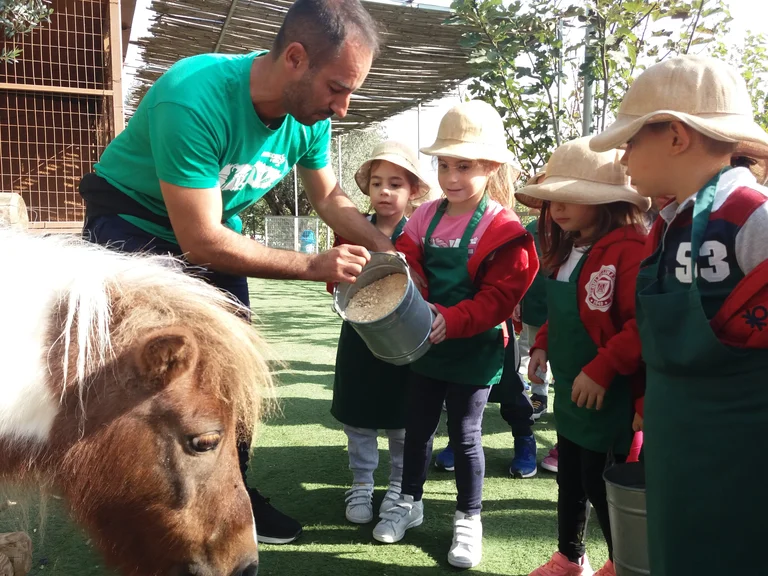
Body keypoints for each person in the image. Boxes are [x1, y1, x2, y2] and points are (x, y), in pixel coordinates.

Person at [76, 0, 391, 545]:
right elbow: (200, 241)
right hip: (132, 222)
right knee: (142, 379)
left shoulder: (306, 118)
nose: (343, 107)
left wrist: (391, 253)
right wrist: (313, 264)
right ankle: (141, 503)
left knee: (232, 374)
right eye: (338, 88)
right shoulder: (193, 96)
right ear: (295, 58)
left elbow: (332, 201)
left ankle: (233, 496)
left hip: (216, 229)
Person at [590, 54, 768, 576]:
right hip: (674, 441)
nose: (623, 158)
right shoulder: (668, 221)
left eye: (630, 142)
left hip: (736, 454)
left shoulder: (752, 216)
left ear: (676, 136)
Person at [372, 100, 538, 569]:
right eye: (444, 164)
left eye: (464, 166)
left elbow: (499, 298)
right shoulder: (425, 216)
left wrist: (454, 319)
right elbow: (408, 259)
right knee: (419, 426)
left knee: (466, 436)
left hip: (475, 348)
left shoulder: (502, 228)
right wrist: (407, 280)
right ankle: (409, 502)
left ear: (491, 166)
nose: (451, 176)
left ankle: (469, 518)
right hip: (427, 343)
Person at [519, 136, 650, 576]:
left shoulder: (630, 250)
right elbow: (568, 310)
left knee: (603, 483)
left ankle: (622, 561)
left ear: (607, 199)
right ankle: (569, 556)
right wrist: (541, 345)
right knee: (570, 479)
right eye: (553, 197)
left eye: (571, 196)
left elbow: (641, 325)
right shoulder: (569, 249)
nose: (557, 207)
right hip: (573, 393)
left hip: (610, 397)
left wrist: (603, 367)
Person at [327, 141, 433, 524]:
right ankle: (361, 484)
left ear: (413, 191)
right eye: (376, 183)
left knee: (403, 419)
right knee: (359, 416)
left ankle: (400, 487)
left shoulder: (419, 233)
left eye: (395, 184)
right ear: (367, 190)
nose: (384, 192)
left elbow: (427, 283)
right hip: (359, 339)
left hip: (406, 342)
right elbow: (334, 280)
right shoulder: (351, 230)